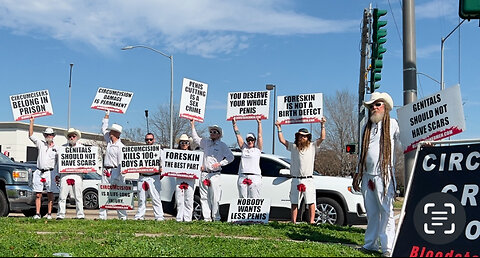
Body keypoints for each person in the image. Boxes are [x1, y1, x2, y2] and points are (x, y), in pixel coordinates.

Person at [352, 92, 401, 257]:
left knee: (386, 212)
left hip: (384, 175)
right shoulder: (367, 128)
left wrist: (423, 142)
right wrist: (358, 173)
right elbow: (362, 152)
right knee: (372, 212)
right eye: (372, 105)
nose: (374, 107)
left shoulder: (392, 124)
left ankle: (388, 247)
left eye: (377, 104)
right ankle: (370, 244)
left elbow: (406, 138)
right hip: (367, 175)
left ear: (385, 107)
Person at [275, 117, 326, 224]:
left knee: (311, 202)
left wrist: (322, 125)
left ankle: (311, 222)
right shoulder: (293, 147)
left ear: (308, 138)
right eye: (300, 135)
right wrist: (279, 127)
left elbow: (322, 138)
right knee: (294, 202)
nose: (302, 137)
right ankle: (293, 221)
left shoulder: (312, 146)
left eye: (304, 136)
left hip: (308, 179)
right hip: (295, 179)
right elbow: (282, 140)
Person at [191, 120, 234, 221]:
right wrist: (192, 125)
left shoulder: (222, 145)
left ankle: (216, 217)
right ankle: (207, 218)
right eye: (211, 132)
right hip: (205, 173)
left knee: (215, 197)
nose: (212, 133)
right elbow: (196, 139)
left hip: (215, 174)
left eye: (215, 132)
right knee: (204, 197)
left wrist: (220, 163)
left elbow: (231, 157)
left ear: (219, 134)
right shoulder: (206, 143)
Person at [99, 110, 128, 220]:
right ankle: (102, 216)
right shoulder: (109, 142)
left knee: (118, 193)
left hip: (116, 171)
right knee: (104, 192)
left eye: (112, 131)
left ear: (116, 133)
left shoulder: (121, 147)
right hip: (106, 170)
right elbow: (103, 128)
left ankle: (122, 216)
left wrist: (120, 175)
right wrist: (107, 115)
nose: (110, 132)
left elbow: (122, 162)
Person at [28, 117, 59, 219]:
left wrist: (58, 174)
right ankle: (37, 213)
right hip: (39, 171)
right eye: (46, 134)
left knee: (50, 194)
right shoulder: (41, 144)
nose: (48, 136)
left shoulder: (57, 148)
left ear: (53, 136)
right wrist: (32, 122)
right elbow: (31, 136)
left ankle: (49, 214)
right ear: (44, 135)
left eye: (50, 135)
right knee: (38, 194)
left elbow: (61, 161)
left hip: (50, 172)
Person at [56, 128, 85, 220]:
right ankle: (61, 214)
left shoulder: (82, 148)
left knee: (78, 195)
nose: (71, 138)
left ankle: (80, 215)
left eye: (73, 136)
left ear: (77, 137)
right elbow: (59, 162)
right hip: (65, 174)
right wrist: (57, 174)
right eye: (70, 136)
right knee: (62, 195)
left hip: (77, 174)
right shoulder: (62, 148)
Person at [134, 133, 164, 221]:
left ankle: (159, 217)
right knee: (141, 199)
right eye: (147, 140)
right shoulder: (140, 151)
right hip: (142, 177)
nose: (149, 141)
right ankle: (140, 216)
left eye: (150, 139)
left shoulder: (159, 151)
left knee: (156, 198)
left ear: (154, 140)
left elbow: (164, 163)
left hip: (154, 177)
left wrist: (161, 169)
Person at [232, 117, 263, 198]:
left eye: (252, 140)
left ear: (254, 141)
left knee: (254, 200)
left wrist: (259, 123)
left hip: (255, 176)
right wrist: (234, 124)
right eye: (248, 140)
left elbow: (260, 136)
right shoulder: (244, 148)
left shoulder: (257, 149)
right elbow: (238, 135)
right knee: (242, 200)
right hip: (242, 176)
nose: (250, 142)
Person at [174, 134, 196, 222]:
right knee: (179, 199)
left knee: (189, 199)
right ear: (179, 144)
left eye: (186, 142)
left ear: (189, 144)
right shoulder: (175, 154)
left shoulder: (193, 155)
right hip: (179, 178)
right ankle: (179, 218)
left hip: (190, 179)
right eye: (182, 142)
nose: (184, 144)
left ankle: (188, 219)